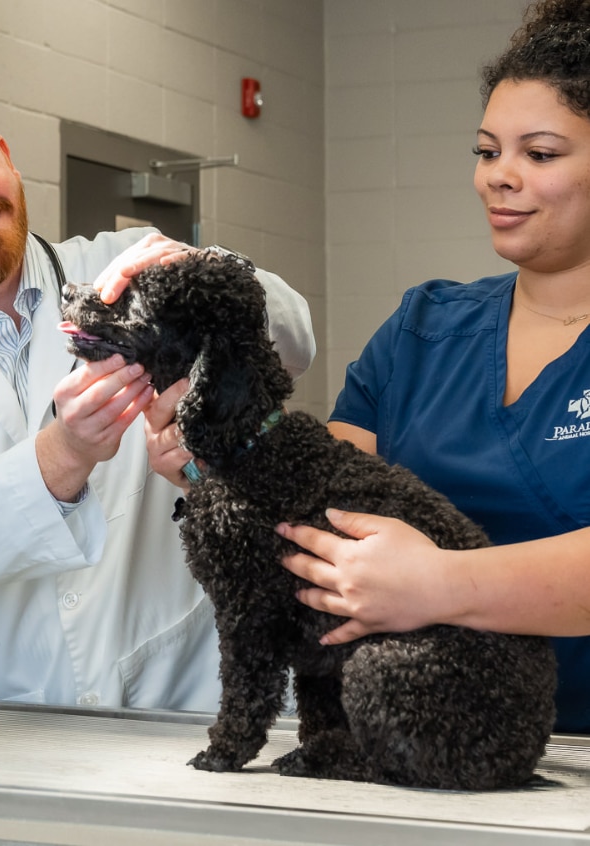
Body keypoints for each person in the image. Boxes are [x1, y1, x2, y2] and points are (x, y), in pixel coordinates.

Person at [0, 87, 315, 708]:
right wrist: (63, 453)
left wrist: (205, 278)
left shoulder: (129, 266)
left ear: (6, 157)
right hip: (0, 717)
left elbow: (296, 338)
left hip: (180, 694)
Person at [279, 0, 590, 734]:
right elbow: (326, 503)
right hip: (421, 741)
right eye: (487, 152)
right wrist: (219, 452)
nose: (498, 178)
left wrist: (441, 585)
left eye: (538, 155)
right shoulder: (423, 331)